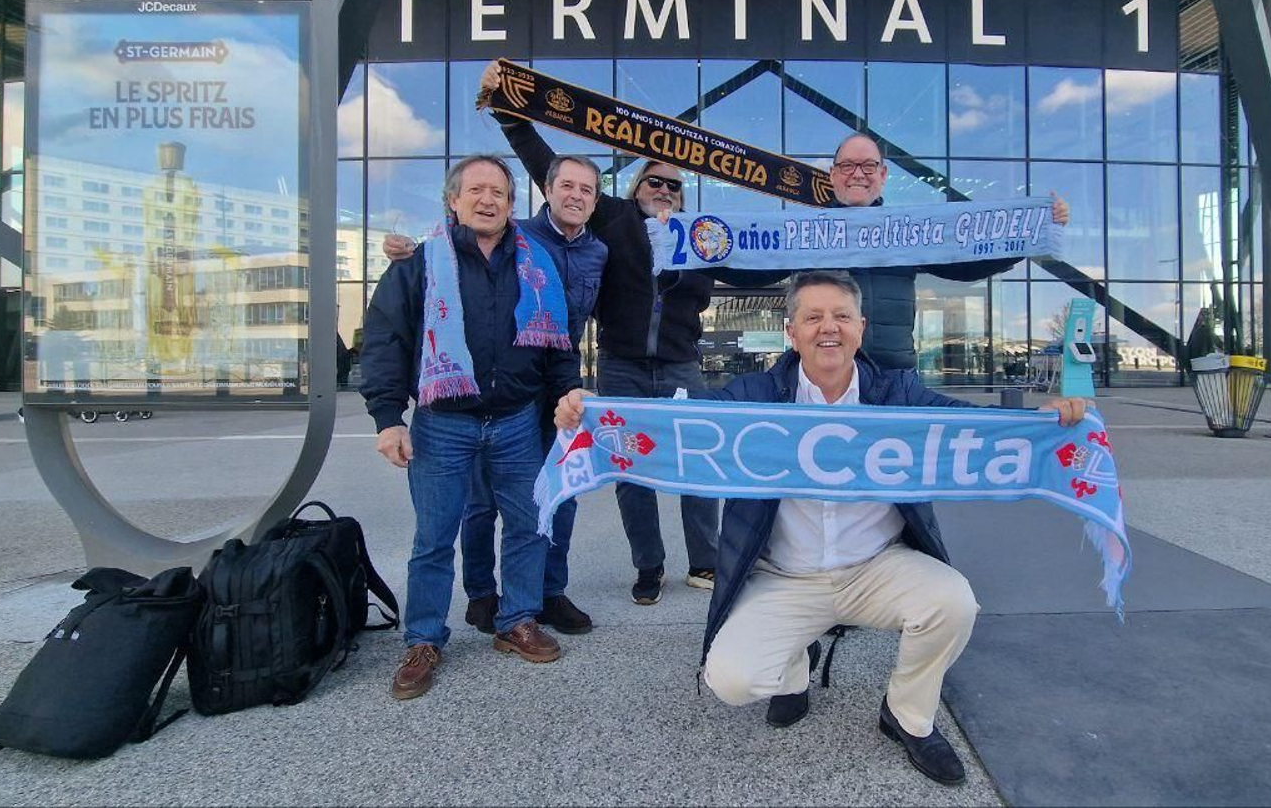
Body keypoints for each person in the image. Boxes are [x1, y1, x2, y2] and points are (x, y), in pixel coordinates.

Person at [553, 270, 1088, 784]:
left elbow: (972, 427)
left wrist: (1043, 422)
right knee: (733, 682)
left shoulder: (897, 392)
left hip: (876, 567)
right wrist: (596, 410)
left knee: (954, 603)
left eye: (841, 316)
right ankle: (795, 665)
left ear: (861, 328)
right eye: (812, 317)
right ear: (791, 332)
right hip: (785, 576)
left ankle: (908, 715)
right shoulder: (755, 393)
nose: (828, 327)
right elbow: (676, 420)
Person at [387, 60, 719, 607]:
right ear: (634, 188)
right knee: (599, 473)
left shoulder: (705, 239)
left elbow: (767, 256)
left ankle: (687, 564)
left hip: (662, 366)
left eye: (673, 185)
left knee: (680, 465)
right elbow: (537, 177)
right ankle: (504, 592)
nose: (663, 189)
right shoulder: (600, 224)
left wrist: (833, 234)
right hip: (595, 370)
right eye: (653, 180)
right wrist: (509, 113)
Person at [361, 154, 583, 701]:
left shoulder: (537, 264)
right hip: (442, 424)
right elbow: (385, 341)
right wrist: (388, 419)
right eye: (476, 190)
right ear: (453, 200)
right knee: (433, 538)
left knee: (529, 526)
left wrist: (567, 395)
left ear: (511, 204)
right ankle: (423, 640)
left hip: (517, 421)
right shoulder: (418, 263)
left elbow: (559, 346)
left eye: (499, 193)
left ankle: (517, 620)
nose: (488, 200)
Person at [714, 133, 1071, 371]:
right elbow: (752, 271)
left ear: (883, 175)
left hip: (894, 377)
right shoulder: (805, 234)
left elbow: (965, 266)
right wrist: (694, 252)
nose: (858, 174)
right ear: (833, 176)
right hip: (825, 378)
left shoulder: (909, 231)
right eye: (847, 166)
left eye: (868, 166)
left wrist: (1031, 235)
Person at [460, 154, 608, 639]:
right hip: (509, 388)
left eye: (586, 189)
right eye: (567, 185)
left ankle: (549, 592)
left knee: (562, 493)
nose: (576, 196)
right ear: (547, 190)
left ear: (595, 200)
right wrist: (402, 251)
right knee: (484, 501)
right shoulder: (515, 234)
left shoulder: (598, 252)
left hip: (562, 387)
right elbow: (455, 248)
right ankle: (483, 594)